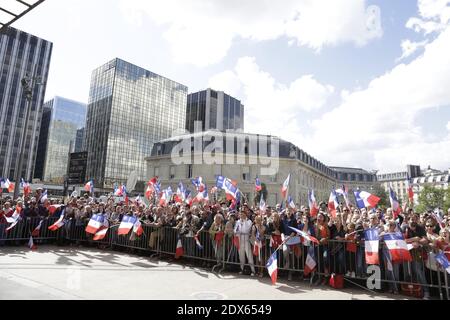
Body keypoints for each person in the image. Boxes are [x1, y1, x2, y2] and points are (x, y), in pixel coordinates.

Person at [403, 213, 431, 299]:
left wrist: (418, 242)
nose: (413, 220)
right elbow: (403, 240)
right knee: (410, 273)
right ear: (408, 220)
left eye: (415, 219)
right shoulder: (405, 228)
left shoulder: (420, 228)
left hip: (418, 253)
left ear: (417, 220)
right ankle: (415, 291)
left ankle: (426, 292)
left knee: (419, 272)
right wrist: (414, 239)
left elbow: (426, 240)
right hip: (407, 253)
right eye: (411, 219)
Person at [234, 210, 256, 276]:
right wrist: (236, 231)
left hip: (246, 240)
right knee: (241, 256)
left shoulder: (249, 221)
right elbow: (235, 229)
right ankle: (242, 269)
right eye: (241, 214)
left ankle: (253, 270)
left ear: (245, 215)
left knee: (249, 255)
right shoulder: (238, 221)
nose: (242, 216)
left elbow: (247, 229)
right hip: (240, 240)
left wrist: (244, 221)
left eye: (243, 214)